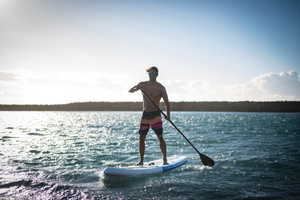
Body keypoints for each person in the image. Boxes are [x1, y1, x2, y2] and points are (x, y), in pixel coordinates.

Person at [129, 66, 170, 165]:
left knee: (160, 137)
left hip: (156, 115)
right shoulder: (143, 84)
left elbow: (167, 102)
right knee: (141, 138)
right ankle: (141, 161)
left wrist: (168, 115)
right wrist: (135, 88)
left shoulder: (161, 87)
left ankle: (165, 160)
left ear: (157, 74)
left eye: (153, 73)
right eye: (149, 73)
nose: (151, 75)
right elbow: (131, 90)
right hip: (145, 115)